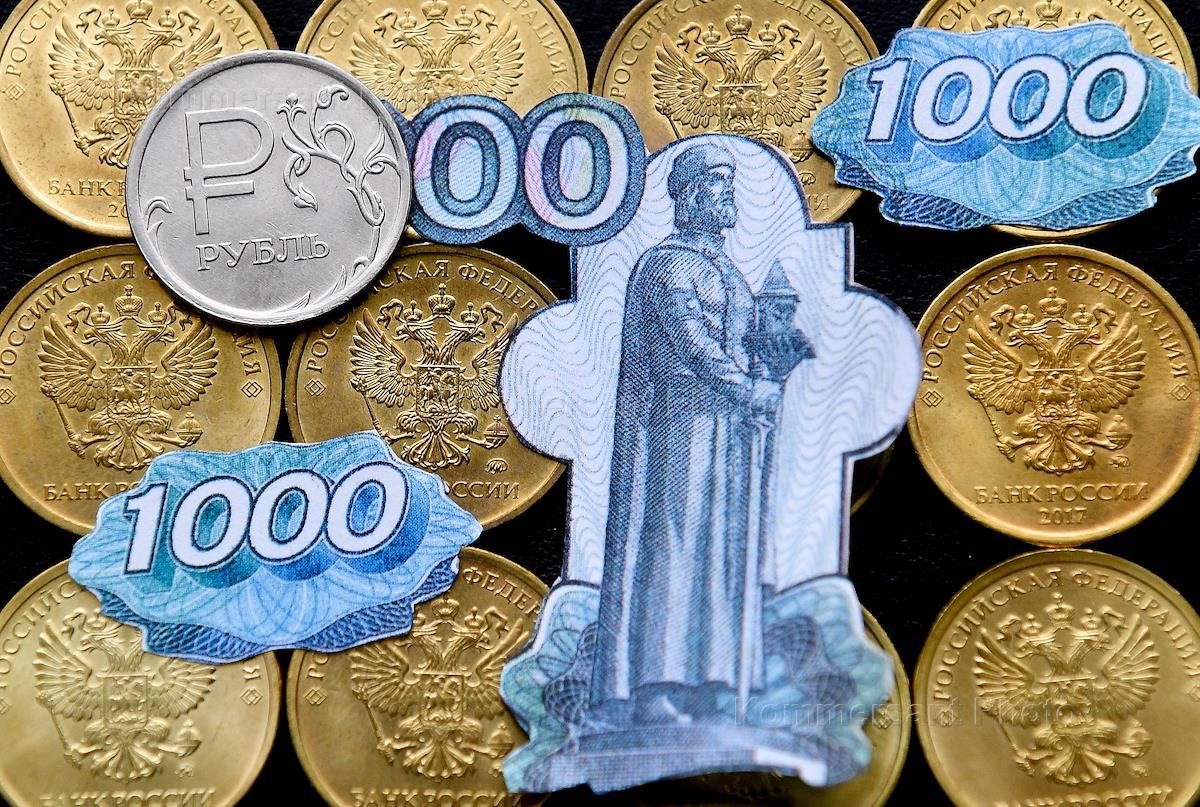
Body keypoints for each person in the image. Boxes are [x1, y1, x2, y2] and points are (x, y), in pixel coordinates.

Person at [589, 143, 783, 725]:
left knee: (720, 546)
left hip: (727, 433)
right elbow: (692, 344)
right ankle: (656, 685)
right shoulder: (665, 266)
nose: (729, 196)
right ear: (692, 195)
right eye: (719, 185)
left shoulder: (730, 273)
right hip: (677, 432)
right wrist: (749, 389)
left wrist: (764, 378)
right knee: (674, 545)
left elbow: (749, 343)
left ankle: (714, 676)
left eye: (730, 184)